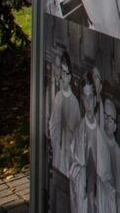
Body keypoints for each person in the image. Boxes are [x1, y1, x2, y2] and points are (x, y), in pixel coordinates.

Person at [68, 72, 113, 213]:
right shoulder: (79, 131)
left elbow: (107, 176)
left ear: (95, 99)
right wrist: (83, 171)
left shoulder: (101, 135)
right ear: (82, 99)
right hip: (84, 199)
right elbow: (73, 168)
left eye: (90, 97)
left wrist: (102, 184)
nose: (88, 103)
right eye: (85, 98)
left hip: (99, 200)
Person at [49, 51, 81, 210]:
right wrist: (56, 141)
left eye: (66, 73)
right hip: (58, 151)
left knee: (66, 192)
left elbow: (77, 133)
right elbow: (53, 124)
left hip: (68, 155)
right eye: (62, 71)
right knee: (56, 185)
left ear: (70, 76)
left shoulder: (74, 103)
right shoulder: (58, 97)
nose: (64, 76)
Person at [102, 99, 120, 213]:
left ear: (115, 127)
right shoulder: (95, 141)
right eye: (104, 116)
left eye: (110, 119)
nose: (106, 121)